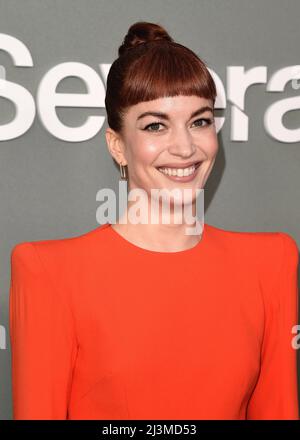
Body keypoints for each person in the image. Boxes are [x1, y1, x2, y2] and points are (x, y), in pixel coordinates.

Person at [9, 21, 299, 420]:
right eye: (155, 126)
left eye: (199, 121)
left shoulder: (270, 262)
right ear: (117, 146)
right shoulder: (49, 272)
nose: (185, 148)